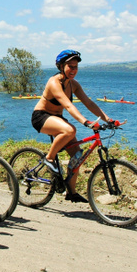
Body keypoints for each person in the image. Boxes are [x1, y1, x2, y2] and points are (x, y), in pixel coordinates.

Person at [31, 49, 120, 203]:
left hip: (57, 118)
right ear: (61, 67)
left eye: (75, 67)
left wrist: (108, 120)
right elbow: (69, 106)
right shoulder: (54, 82)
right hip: (42, 117)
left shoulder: (74, 84)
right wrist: (86, 122)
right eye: (70, 66)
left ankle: (71, 192)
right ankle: (49, 158)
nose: (73, 70)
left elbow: (89, 103)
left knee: (77, 156)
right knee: (70, 130)